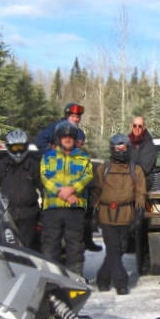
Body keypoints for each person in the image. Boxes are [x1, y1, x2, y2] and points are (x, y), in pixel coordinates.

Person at [35, 102, 101, 252]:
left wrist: (74, 190)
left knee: (89, 199)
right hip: (56, 174)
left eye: (78, 117)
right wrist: (52, 151)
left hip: (74, 176)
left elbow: (85, 169)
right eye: (73, 116)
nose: (76, 119)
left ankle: (87, 237)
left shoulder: (80, 133)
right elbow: (39, 141)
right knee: (52, 240)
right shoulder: (55, 128)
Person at [39, 121, 94, 276]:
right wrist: (61, 192)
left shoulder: (83, 157)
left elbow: (87, 176)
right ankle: (52, 278)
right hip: (52, 207)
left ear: (74, 138)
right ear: (59, 138)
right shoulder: (48, 157)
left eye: (70, 137)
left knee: (75, 245)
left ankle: (75, 278)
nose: (67, 139)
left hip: (75, 207)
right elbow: (44, 177)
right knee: (50, 245)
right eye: (64, 137)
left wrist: (72, 189)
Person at [95, 133, 146, 294]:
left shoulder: (135, 169)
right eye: (118, 148)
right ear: (113, 149)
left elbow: (140, 192)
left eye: (124, 148)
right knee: (113, 247)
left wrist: (139, 212)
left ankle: (103, 278)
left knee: (120, 248)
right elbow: (96, 191)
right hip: (106, 213)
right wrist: (93, 213)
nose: (121, 151)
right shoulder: (104, 168)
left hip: (126, 213)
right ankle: (121, 282)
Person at [0, 129, 41, 249]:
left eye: (21, 147)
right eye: (14, 148)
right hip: (6, 215)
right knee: (6, 248)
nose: (18, 152)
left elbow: (44, 188)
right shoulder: (1, 166)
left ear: (26, 147)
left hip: (29, 215)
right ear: (8, 148)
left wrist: (44, 214)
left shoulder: (33, 165)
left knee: (25, 248)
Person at [127, 116, 157, 276]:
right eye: (135, 125)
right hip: (125, 190)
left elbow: (143, 168)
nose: (137, 128)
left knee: (140, 227)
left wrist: (128, 173)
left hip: (142, 190)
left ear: (144, 127)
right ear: (131, 126)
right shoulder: (126, 144)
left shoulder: (149, 145)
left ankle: (143, 263)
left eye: (140, 126)